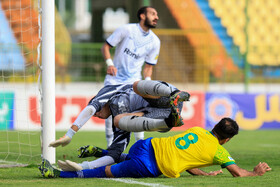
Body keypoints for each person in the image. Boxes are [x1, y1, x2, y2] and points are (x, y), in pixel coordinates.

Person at [39, 117, 271, 178]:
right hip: (151, 164)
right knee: (106, 173)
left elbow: (186, 159)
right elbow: (238, 173)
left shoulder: (199, 130)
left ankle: (101, 152)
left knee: (127, 158)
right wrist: (255, 172)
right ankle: (58, 174)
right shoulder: (219, 152)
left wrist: (204, 172)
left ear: (215, 127)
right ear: (227, 140)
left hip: (148, 145)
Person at [49, 80, 190, 170]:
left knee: (136, 85)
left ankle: (175, 94)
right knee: (118, 120)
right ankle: (170, 121)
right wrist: (83, 166)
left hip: (163, 97)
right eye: (95, 114)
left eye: (98, 110)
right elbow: (114, 156)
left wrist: (70, 134)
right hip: (162, 117)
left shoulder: (108, 92)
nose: (96, 114)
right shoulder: (117, 123)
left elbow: (91, 108)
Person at [101, 6, 160, 147]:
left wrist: (147, 84)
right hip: (114, 79)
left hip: (133, 82)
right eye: (153, 14)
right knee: (109, 113)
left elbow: (148, 67)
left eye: (157, 14)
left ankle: (139, 149)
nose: (156, 17)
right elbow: (105, 47)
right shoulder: (126, 30)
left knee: (137, 114)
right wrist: (109, 64)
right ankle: (111, 149)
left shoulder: (155, 41)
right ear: (142, 16)